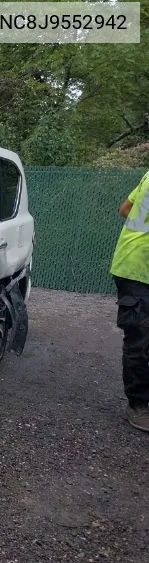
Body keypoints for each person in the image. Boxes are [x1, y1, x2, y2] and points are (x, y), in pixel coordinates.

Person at [110, 169, 149, 432]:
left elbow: (126, 209)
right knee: (141, 338)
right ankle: (139, 406)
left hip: (134, 260)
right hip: (138, 268)